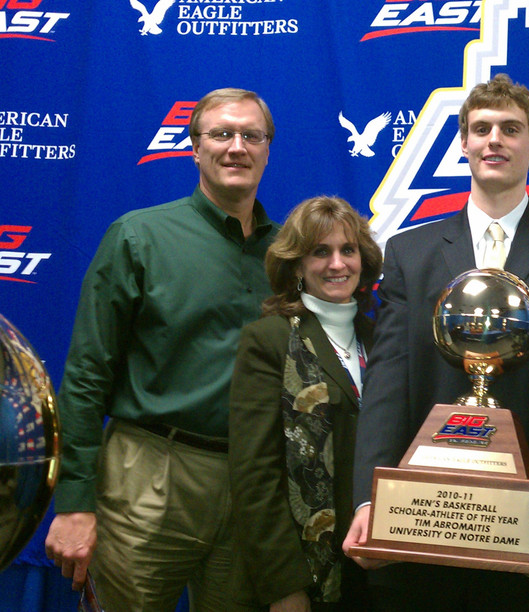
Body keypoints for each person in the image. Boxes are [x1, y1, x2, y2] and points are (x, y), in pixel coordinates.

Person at [342, 74, 529, 610]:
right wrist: (368, 502)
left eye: (511, 129)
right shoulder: (409, 252)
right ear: (463, 143)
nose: (495, 140)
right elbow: (387, 385)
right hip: (425, 524)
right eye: (481, 128)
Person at [44, 88, 278, 610]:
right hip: (147, 474)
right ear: (194, 148)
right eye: (220, 134)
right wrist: (75, 502)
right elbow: (86, 374)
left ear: (267, 149)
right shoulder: (138, 236)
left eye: (250, 135)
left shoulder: (286, 254)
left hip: (253, 483)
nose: (236, 146)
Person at [228, 196, 381, 612]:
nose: (337, 264)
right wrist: (284, 588)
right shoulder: (269, 341)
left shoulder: (384, 338)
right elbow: (254, 477)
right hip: (304, 574)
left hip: (382, 568)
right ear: (296, 265)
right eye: (320, 252)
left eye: (347, 250)